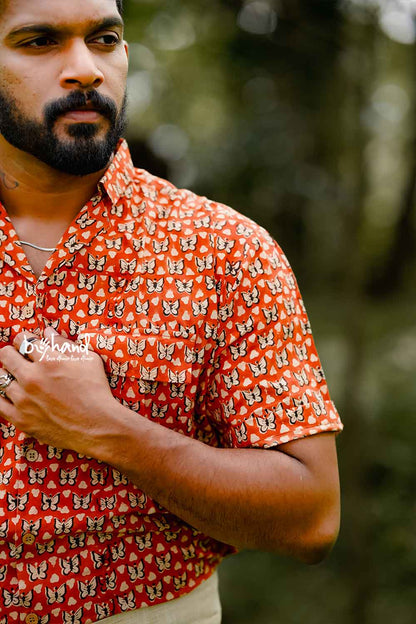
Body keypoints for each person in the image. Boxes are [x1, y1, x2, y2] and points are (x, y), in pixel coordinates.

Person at [0, 0, 343, 622]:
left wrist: (110, 430)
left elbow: (313, 516)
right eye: (39, 41)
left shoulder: (224, 250)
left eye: (104, 38)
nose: (85, 69)